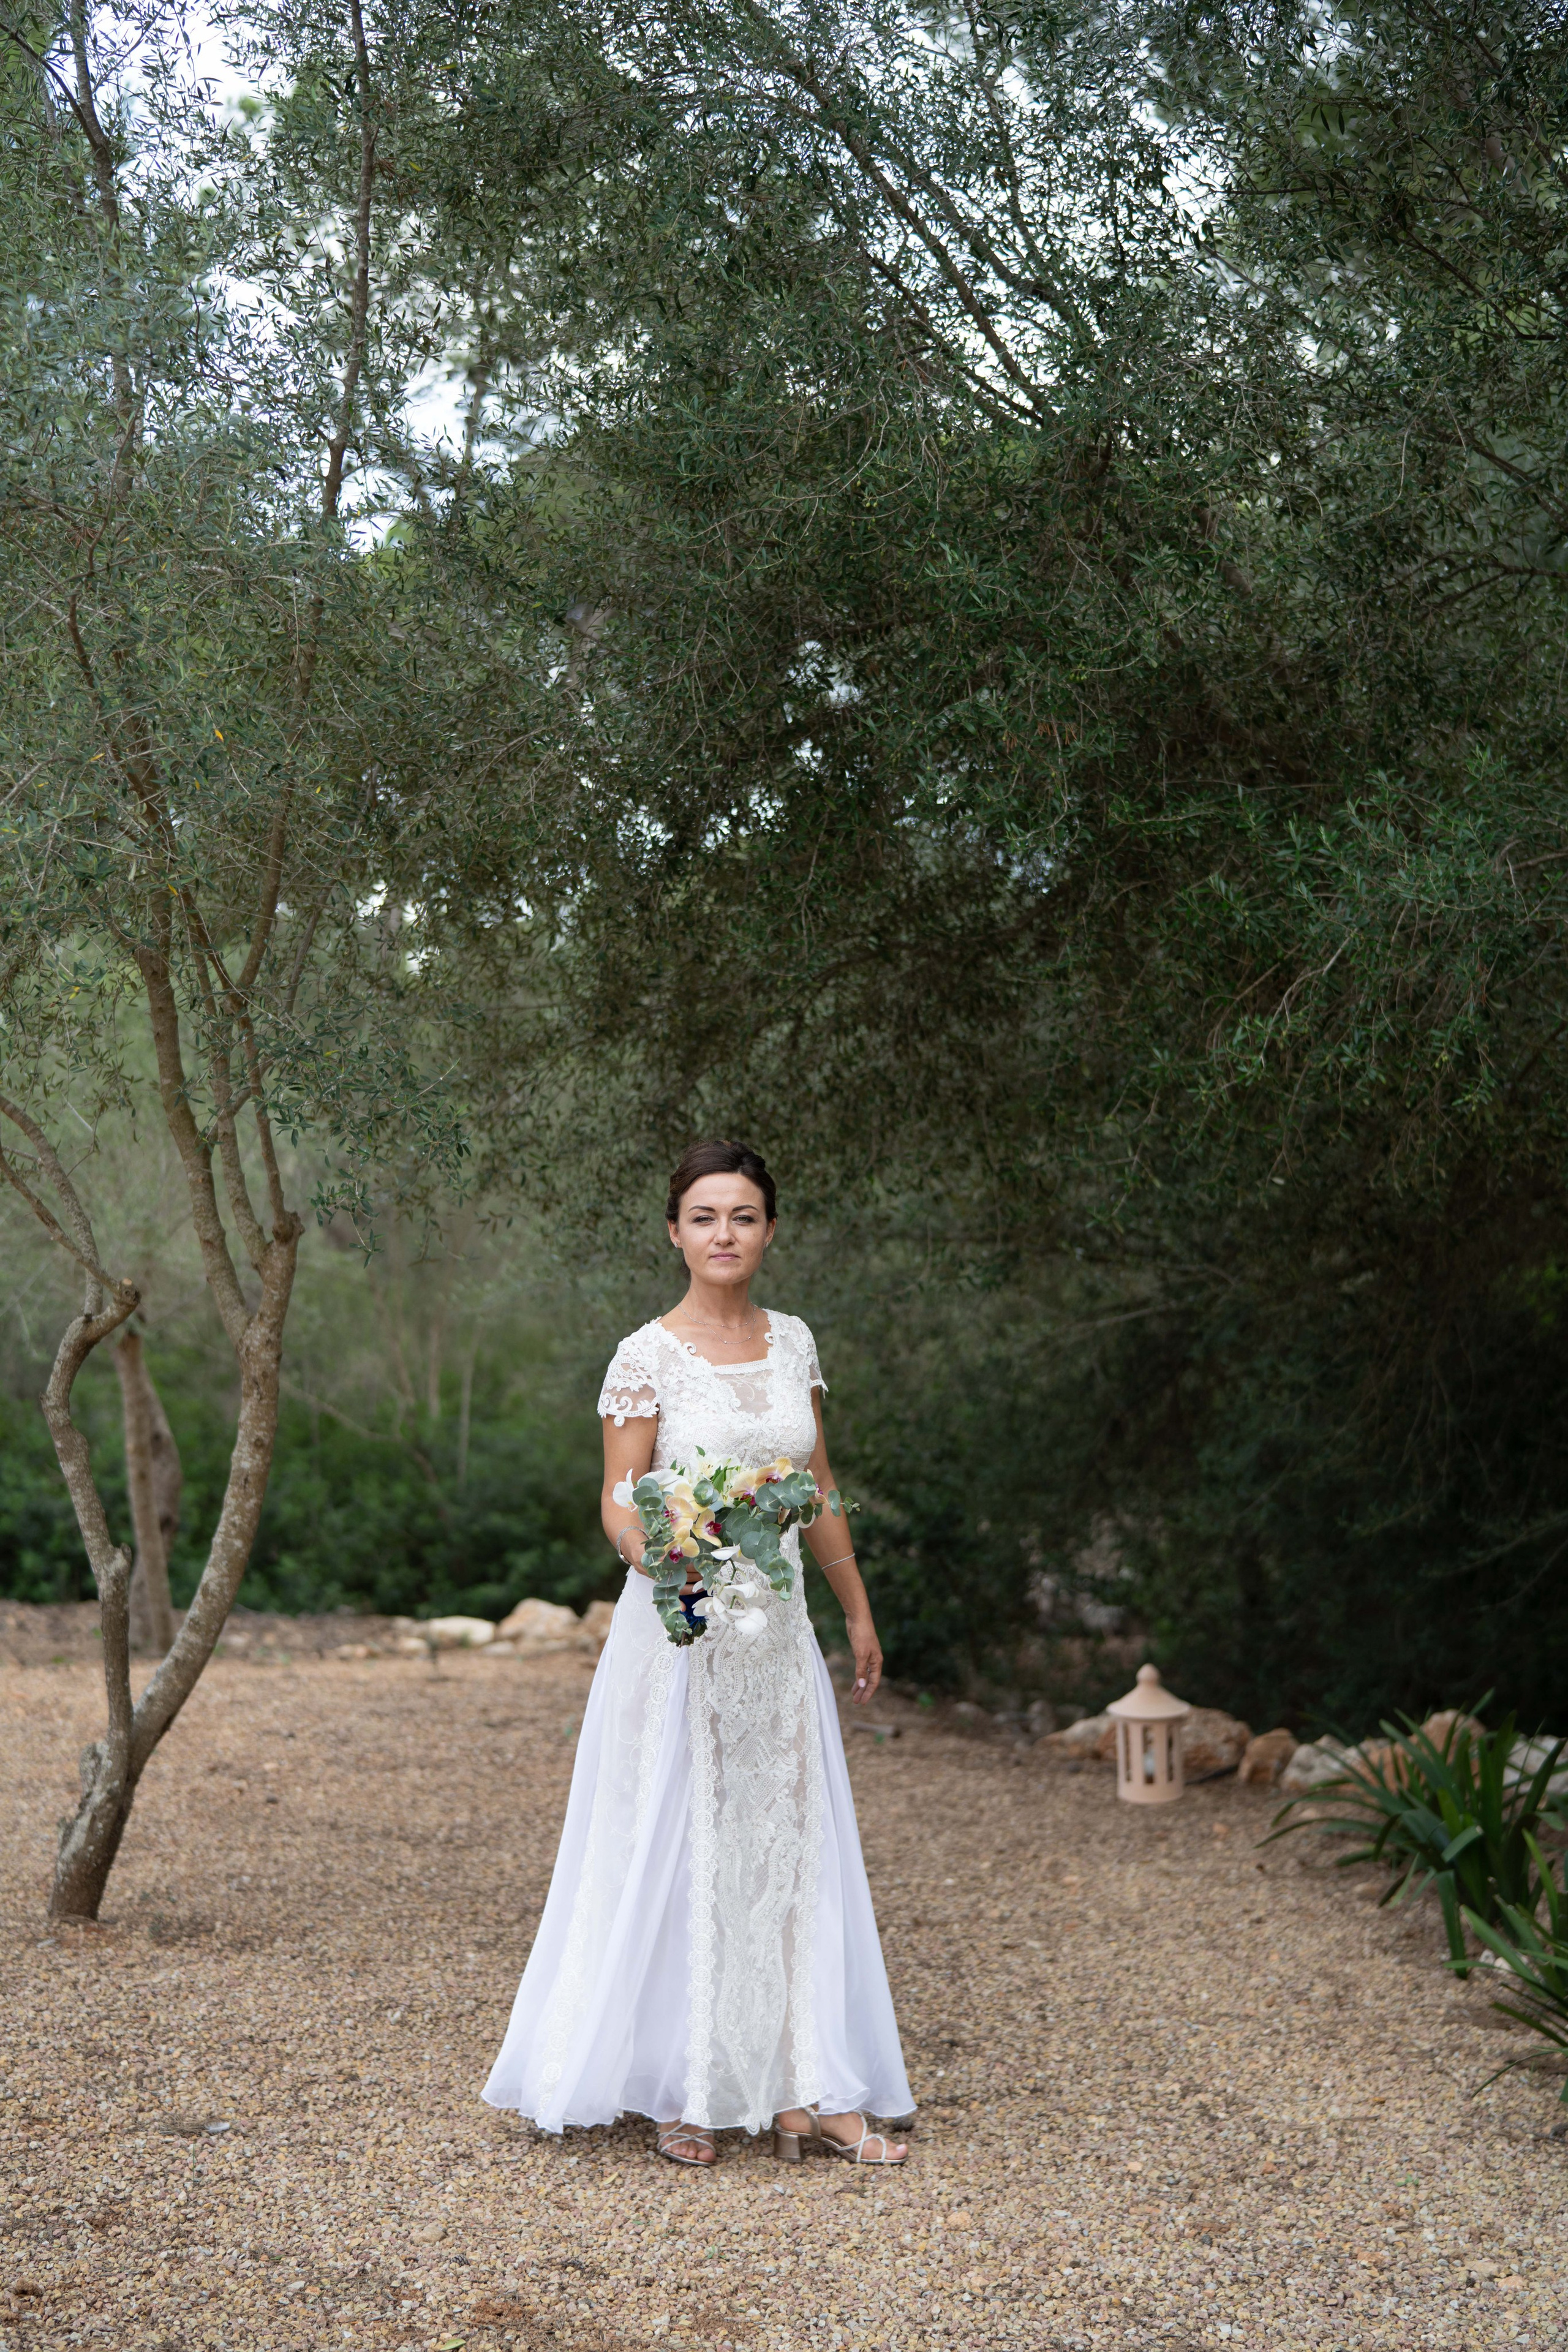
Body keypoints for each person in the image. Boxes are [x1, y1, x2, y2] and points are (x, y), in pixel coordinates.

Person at [482, 1139, 912, 2166]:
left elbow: (821, 1488)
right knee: (680, 1840)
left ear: (769, 1230)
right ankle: (688, 2086)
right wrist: (663, 1554)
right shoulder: (647, 1355)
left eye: (745, 1216)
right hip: (680, 1634)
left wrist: (854, 1608)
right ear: (675, 1231)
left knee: (786, 1843)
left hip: (777, 1639)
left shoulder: (794, 1342)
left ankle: (812, 2086)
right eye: (706, 1216)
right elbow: (618, 1496)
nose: (726, 1234)